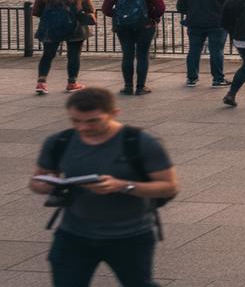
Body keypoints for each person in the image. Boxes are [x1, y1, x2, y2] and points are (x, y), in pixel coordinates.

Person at [30, 87, 179, 287]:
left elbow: (169, 187)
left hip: (130, 237)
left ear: (114, 114)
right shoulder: (60, 141)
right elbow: (37, 180)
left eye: (92, 121)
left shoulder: (139, 142)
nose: (82, 128)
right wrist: (44, 185)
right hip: (73, 235)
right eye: (75, 121)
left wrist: (123, 186)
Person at [101, 0, 166, 96]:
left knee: (127, 55)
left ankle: (128, 86)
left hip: (123, 28)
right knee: (142, 55)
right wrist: (151, 17)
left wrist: (121, 16)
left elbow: (106, 9)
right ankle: (141, 87)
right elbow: (160, 8)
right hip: (146, 27)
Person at [33, 0, 96, 95]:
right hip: (75, 30)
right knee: (73, 55)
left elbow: (36, 12)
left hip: (50, 30)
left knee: (47, 55)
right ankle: (72, 83)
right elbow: (90, 9)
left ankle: (41, 82)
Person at [175, 0, 234, 88]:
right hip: (217, 25)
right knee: (217, 51)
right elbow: (231, 8)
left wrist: (192, 12)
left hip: (194, 23)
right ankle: (218, 79)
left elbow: (180, 7)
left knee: (194, 50)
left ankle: (192, 78)